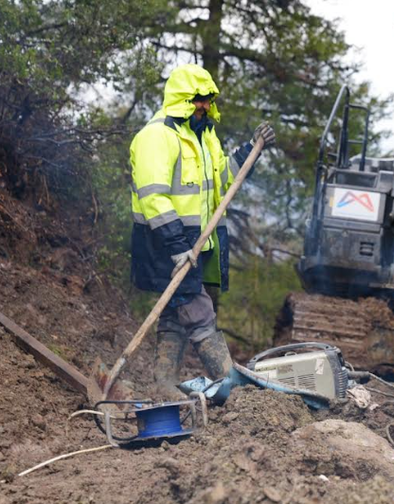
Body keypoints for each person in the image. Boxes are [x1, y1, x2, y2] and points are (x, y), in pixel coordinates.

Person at [129, 64, 276, 398]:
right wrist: (177, 244)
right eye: (199, 100)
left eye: (209, 100)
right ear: (183, 99)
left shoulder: (204, 136)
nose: (206, 106)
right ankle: (235, 389)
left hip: (194, 244)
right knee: (199, 312)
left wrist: (251, 150)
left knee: (174, 315)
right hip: (164, 243)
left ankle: (163, 384)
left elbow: (225, 179)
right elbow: (154, 197)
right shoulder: (157, 137)